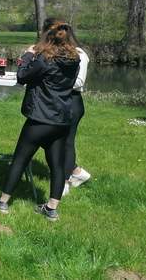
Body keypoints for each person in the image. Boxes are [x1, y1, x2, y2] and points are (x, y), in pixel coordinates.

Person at [0, 21, 80, 221]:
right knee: (57, 165)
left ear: (46, 37)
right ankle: (51, 209)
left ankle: (3, 202)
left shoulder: (43, 59)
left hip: (40, 118)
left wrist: (27, 55)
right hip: (62, 119)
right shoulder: (74, 59)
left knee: (20, 159)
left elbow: (22, 76)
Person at [40, 18, 91, 196]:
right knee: (50, 141)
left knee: (66, 142)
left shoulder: (79, 54)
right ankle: (77, 172)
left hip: (71, 102)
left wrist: (54, 81)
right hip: (56, 101)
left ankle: (64, 182)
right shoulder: (52, 53)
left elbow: (78, 82)